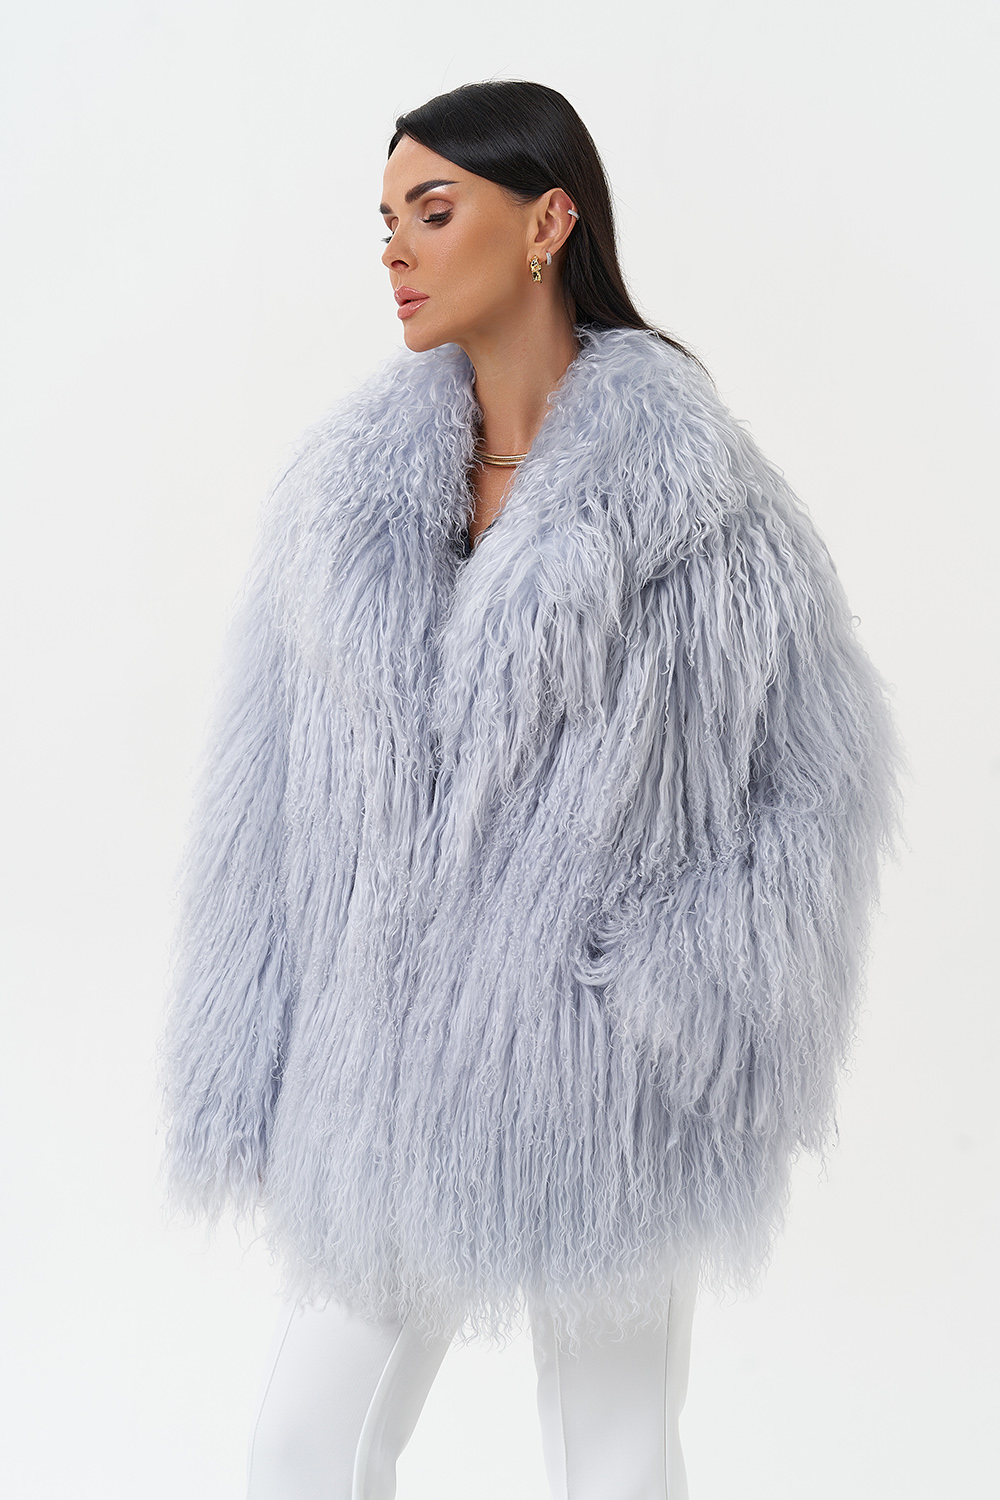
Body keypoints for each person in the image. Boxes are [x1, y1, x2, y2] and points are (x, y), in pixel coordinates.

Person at [156, 80, 905, 1500]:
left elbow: (819, 785)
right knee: (301, 1443)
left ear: (549, 221)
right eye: (387, 219)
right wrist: (255, 1042)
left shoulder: (703, 508)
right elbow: (260, 806)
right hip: (381, 1077)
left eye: (434, 211)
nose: (396, 250)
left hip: (603, 1083)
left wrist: (667, 988)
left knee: (611, 1458)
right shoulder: (340, 509)